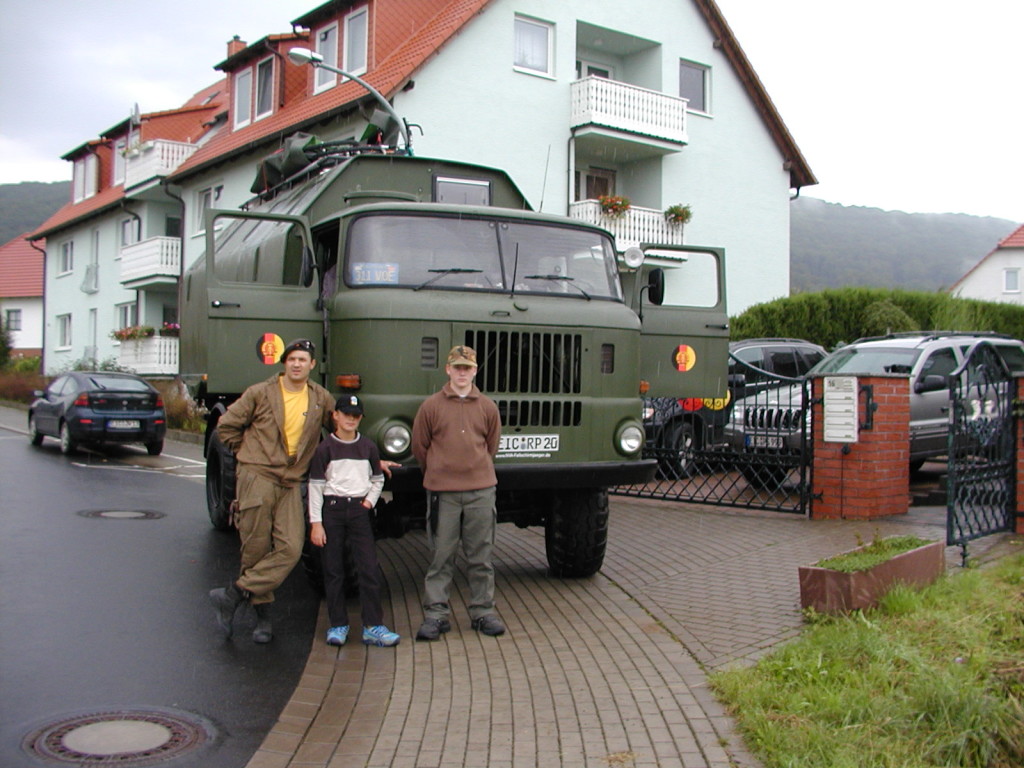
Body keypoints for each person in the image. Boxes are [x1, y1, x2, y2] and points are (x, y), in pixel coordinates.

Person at [209, 338, 334, 644]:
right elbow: (226, 427)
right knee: (255, 549)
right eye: (291, 359)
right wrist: (247, 455)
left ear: (312, 365)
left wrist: (372, 457)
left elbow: (340, 430)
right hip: (258, 476)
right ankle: (262, 620)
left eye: (302, 359)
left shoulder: (320, 397)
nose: (296, 364)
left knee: (290, 548)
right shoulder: (261, 392)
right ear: (284, 363)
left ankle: (232, 595)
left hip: (291, 481)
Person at [412, 345, 505, 640]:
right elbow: (420, 447)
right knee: (442, 555)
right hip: (444, 493)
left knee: (481, 556)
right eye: (457, 367)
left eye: (468, 368)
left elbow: (491, 446)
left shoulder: (488, 407)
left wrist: (475, 471)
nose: (462, 373)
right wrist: (440, 472)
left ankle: (483, 612)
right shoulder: (430, 406)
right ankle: (436, 615)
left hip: (481, 491)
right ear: (448, 370)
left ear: (475, 371)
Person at [308, 394, 400, 647]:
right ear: (335, 416)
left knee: (368, 568)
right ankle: (338, 625)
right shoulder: (325, 449)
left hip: (359, 511)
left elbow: (378, 478)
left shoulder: (368, 447)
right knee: (334, 570)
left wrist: (369, 502)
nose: (350, 419)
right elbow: (315, 486)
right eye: (346, 414)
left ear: (360, 419)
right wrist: (316, 523)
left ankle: (373, 625)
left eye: (356, 415)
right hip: (332, 510)